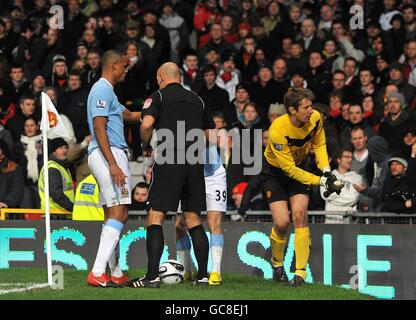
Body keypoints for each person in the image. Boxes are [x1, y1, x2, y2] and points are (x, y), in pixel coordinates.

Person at [125, 62, 215, 288]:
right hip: (194, 161)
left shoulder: (158, 97)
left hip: (168, 158)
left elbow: (146, 124)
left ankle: (152, 276)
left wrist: (145, 145)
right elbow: (209, 135)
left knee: (155, 215)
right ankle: (203, 276)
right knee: (193, 217)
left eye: (158, 78)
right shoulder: (198, 99)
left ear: (161, 77)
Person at [261, 88, 344, 286]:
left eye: (310, 106)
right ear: (292, 110)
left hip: (302, 168)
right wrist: (321, 181)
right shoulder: (277, 130)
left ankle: (300, 273)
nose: (311, 111)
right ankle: (277, 262)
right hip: (276, 173)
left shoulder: (315, 118)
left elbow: (320, 143)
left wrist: (326, 170)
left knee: (300, 215)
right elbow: (289, 170)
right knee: (281, 223)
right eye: (306, 107)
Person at [86, 50, 141, 288]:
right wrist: (113, 163)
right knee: (120, 212)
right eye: (124, 66)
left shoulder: (109, 92)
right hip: (109, 153)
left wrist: (155, 111)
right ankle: (98, 271)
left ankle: (114, 271)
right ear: (115, 66)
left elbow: (127, 115)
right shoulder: (100, 89)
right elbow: (99, 128)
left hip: (106, 154)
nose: (126, 70)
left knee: (112, 214)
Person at [175, 135, 228, 286]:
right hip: (187, 175)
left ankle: (216, 272)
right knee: (179, 225)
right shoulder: (174, 121)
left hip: (213, 176)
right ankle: (186, 270)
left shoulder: (200, 118)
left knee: (214, 222)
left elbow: (211, 138)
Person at [320, 148, 364, 224]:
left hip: (348, 220)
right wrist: (345, 193)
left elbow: (352, 198)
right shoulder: (327, 176)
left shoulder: (357, 178)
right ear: (339, 159)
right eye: (347, 157)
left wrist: (335, 193)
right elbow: (325, 195)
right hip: (330, 219)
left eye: (351, 157)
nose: (350, 160)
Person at [38, 138, 74, 214]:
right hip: (55, 213)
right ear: (54, 152)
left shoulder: (62, 166)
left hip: (62, 212)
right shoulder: (52, 168)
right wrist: (72, 207)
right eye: (60, 148)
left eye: (65, 147)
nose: (64, 150)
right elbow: (55, 193)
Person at [0, 139, 24, 210]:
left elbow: (17, 189)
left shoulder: (13, 167)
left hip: (6, 211)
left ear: (3, 151)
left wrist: (6, 203)